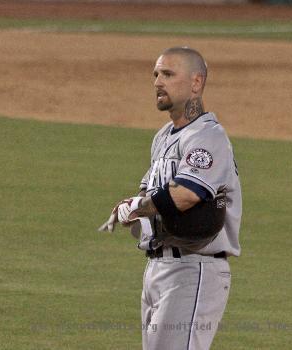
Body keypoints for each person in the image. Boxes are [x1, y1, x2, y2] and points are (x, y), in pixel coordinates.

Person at [99, 47, 242, 350]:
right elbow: (151, 193)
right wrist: (132, 207)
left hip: (194, 268)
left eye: (168, 74)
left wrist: (139, 208)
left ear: (196, 83)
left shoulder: (208, 136)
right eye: (155, 74)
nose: (157, 82)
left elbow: (187, 195)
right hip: (158, 268)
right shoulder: (164, 136)